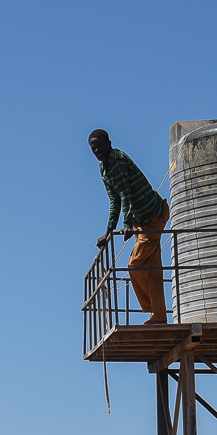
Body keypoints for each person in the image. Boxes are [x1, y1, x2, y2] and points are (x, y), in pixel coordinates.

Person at [91, 128, 170, 325]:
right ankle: (158, 316)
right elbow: (114, 200)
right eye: (93, 148)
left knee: (135, 265)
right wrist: (108, 232)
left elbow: (126, 193)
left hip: (152, 215)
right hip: (142, 221)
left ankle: (152, 310)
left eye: (99, 146)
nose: (97, 151)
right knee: (151, 270)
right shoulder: (103, 167)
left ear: (108, 143)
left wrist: (126, 225)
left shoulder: (117, 159)